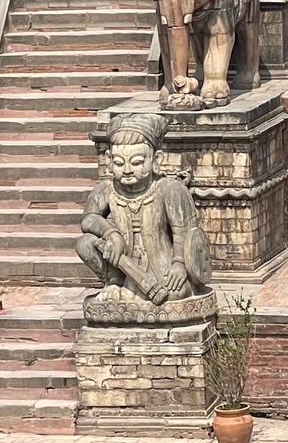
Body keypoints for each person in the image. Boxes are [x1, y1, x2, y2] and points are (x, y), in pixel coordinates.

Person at [76, 113, 205, 306]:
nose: (127, 170)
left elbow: (185, 234)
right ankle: (114, 282)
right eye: (119, 163)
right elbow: (89, 219)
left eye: (136, 162)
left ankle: (129, 293)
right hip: (122, 263)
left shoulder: (169, 189)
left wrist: (179, 264)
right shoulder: (106, 189)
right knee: (85, 243)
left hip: (160, 264)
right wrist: (111, 234)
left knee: (175, 293)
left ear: (156, 159)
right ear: (109, 159)